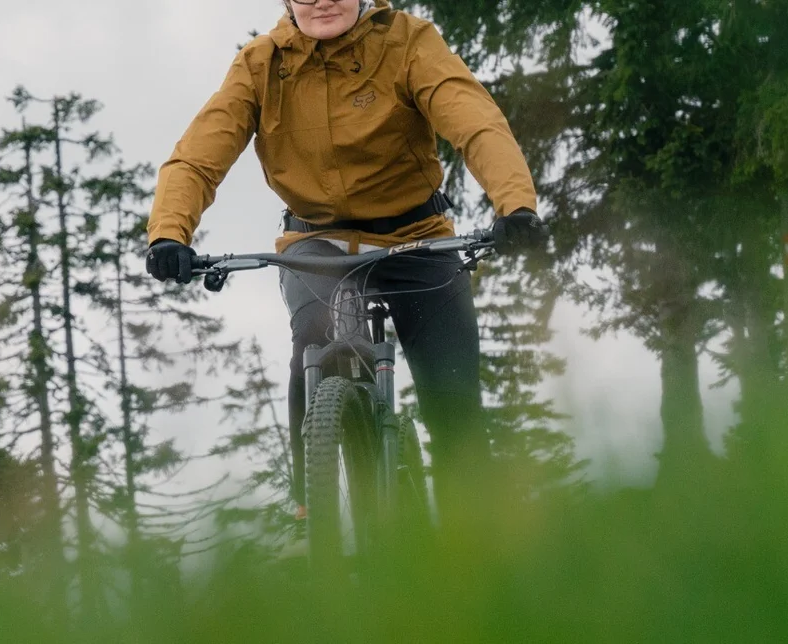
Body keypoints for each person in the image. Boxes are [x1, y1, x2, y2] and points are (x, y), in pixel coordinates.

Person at [143, 0, 545, 528]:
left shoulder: (409, 41)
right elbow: (198, 156)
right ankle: (312, 508)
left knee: (453, 407)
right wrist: (169, 233)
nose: (324, 0)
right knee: (313, 333)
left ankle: (473, 554)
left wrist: (514, 204)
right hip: (318, 242)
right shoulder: (260, 66)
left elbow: (474, 120)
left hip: (415, 238)